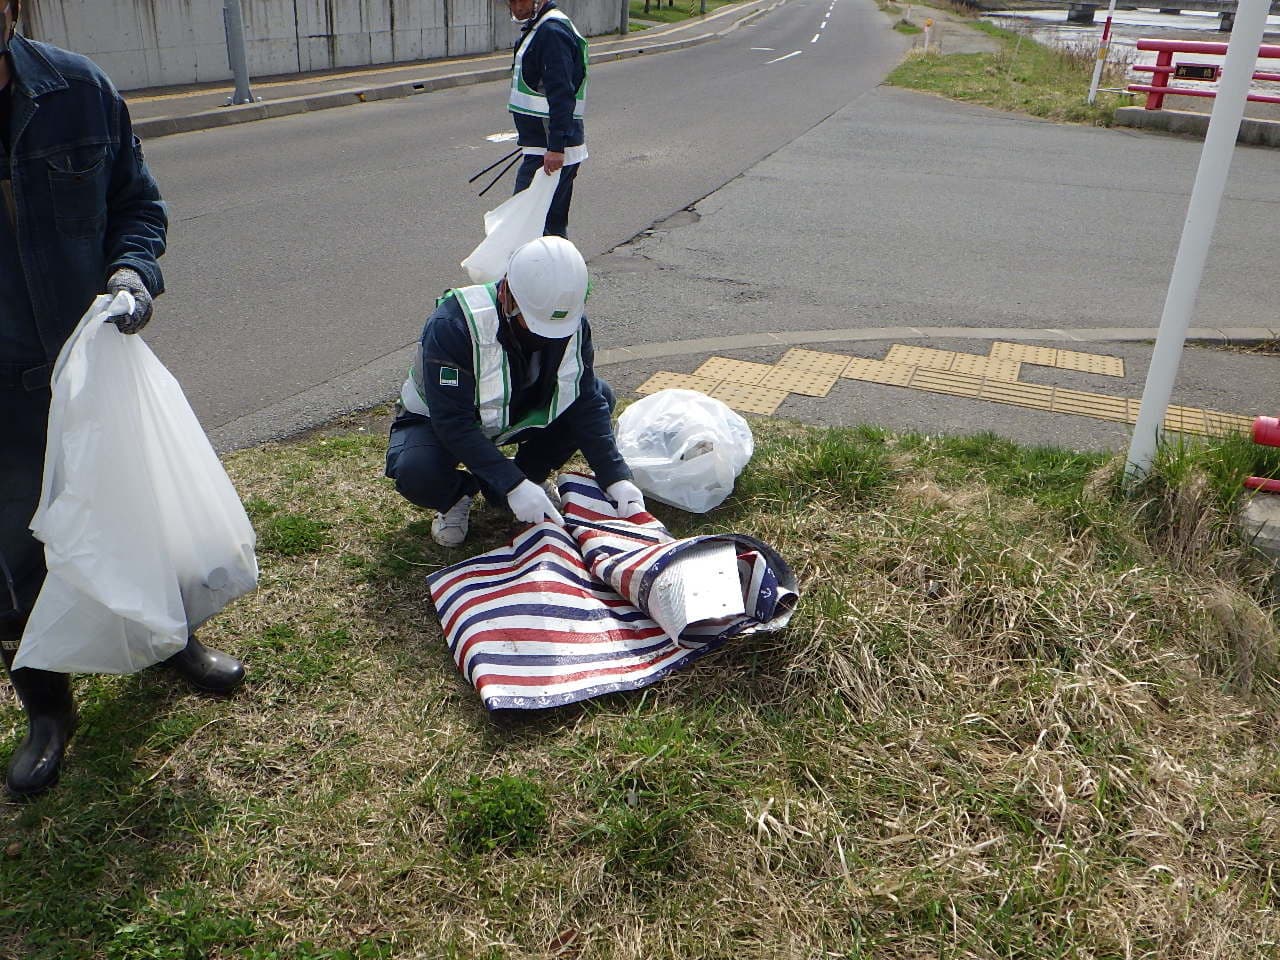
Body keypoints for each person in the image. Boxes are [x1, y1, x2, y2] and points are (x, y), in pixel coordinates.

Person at [0, 2, 245, 799]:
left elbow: (137, 204)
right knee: (16, 558)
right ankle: (48, 709)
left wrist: (131, 274)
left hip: (92, 369)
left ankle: (172, 644)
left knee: (140, 514)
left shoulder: (79, 92)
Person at [387, 236, 646, 546]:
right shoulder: (453, 325)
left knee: (601, 395)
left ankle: (526, 476)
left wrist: (615, 475)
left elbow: (585, 399)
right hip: (440, 420)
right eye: (533, 324)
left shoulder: (568, 319)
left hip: (514, 413)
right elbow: (452, 422)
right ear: (507, 294)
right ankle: (455, 497)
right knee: (417, 472)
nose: (546, 337)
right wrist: (513, 485)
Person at [506, 0, 588, 238]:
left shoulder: (551, 32)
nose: (515, 7)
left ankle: (525, 266)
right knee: (550, 224)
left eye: (520, 0)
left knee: (524, 225)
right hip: (546, 147)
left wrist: (555, 147)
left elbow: (561, 92)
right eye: (510, 1)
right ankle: (558, 262)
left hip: (548, 152)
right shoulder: (541, 27)